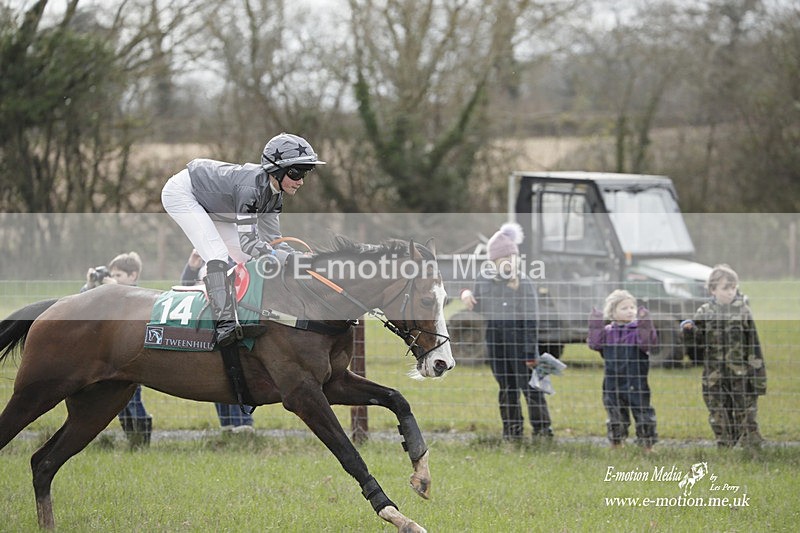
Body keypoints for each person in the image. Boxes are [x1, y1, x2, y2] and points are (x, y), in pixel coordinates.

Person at [161, 132, 325, 347]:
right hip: (184, 193)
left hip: (214, 205)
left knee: (244, 257)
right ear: (277, 170)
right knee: (217, 255)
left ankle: (248, 312)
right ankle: (224, 324)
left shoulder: (274, 194)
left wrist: (299, 260)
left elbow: (274, 241)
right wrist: (286, 258)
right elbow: (251, 242)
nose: (301, 181)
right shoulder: (251, 189)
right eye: (296, 174)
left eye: (305, 173)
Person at [460, 223, 553, 441]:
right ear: (493, 261)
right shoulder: (484, 280)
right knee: (506, 387)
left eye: (513, 257)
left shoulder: (524, 283)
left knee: (530, 388)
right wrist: (466, 295)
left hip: (522, 343)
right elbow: (478, 304)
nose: (510, 262)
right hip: (496, 341)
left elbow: (531, 320)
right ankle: (512, 433)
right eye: (504, 258)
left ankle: (543, 433)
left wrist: (531, 354)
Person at [681, 264, 766, 448]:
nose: (730, 292)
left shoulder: (743, 311)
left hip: (741, 374)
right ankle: (724, 445)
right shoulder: (704, 312)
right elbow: (695, 343)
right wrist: (689, 331)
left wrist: (758, 378)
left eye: (733, 287)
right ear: (712, 290)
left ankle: (751, 447)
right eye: (725, 288)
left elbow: (753, 346)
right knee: (718, 412)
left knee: (746, 411)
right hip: (714, 375)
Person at [81, 251, 153, 449]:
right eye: (113, 275)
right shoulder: (113, 294)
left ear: (133, 276)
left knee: (134, 401)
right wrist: (90, 286)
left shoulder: (140, 295)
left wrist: (115, 289)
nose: (115, 280)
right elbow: (82, 303)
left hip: (133, 358)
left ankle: (142, 440)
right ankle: (132, 439)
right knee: (119, 404)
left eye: (119, 276)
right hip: (115, 359)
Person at [181, 249, 255, 434]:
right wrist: (191, 267)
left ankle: (243, 424)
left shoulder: (234, 260)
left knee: (236, 373)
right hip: (206, 325)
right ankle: (227, 425)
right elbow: (186, 288)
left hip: (228, 323)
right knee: (216, 377)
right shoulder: (200, 262)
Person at [588, 290, 657, 451]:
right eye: (624, 308)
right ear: (612, 312)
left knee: (643, 412)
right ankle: (617, 443)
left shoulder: (638, 331)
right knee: (615, 414)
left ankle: (647, 445)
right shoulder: (607, 332)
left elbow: (648, 343)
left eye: (632, 307)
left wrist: (646, 323)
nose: (630, 311)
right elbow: (595, 344)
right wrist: (595, 323)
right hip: (612, 382)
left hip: (636, 381)